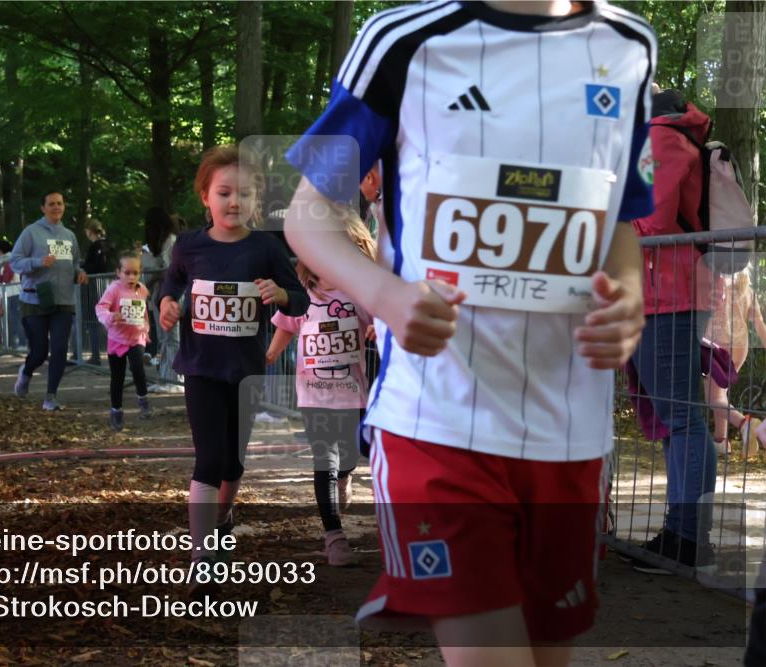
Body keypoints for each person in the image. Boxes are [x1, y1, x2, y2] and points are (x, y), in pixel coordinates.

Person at [283, 1, 655, 663]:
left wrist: (628, 296)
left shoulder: (630, 45)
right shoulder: (400, 41)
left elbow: (620, 214)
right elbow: (308, 213)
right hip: (439, 424)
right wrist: (385, 294)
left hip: (571, 434)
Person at [160, 145, 308, 595]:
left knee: (234, 463)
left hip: (244, 372)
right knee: (209, 460)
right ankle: (203, 558)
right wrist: (166, 305)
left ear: (256, 201)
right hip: (202, 367)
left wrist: (280, 296)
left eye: (244, 194)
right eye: (224, 192)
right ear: (205, 196)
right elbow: (170, 285)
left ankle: (224, 521)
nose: (234, 202)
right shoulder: (189, 245)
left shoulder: (265, 246)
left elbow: (299, 297)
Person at [625, 87, 721, 574]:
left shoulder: (660, 139)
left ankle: (687, 538)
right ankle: (681, 532)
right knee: (675, 418)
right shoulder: (659, 137)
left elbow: (651, 222)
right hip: (658, 292)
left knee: (682, 419)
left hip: (668, 294)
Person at [266, 213, 376, 566]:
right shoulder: (301, 295)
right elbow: (285, 328)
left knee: (348, 455)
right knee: (324, 460)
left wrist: (382, 329)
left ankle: (345, 477)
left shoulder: (361, 292)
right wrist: (267, 357)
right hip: (314, 395)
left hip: (353, 392)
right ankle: (334, 536)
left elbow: (384, 321)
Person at [10, 191, 88, 411]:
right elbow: (14, 262)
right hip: (35, 299)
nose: (56, 207)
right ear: (43, 208)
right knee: (40, 351)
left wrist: (79, 273)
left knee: (60, 348)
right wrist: (37, 262)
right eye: (51, 204)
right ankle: (26, 373)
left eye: (60, 203)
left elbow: (74, 263)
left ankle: (51, 396)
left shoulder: (69, 236)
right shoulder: (31, 233)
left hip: (64, 300)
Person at [706, 267, 766, 457]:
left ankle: (744, 424)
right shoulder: (747, 290)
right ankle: (720, 441)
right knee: (720, 394)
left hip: (716, 345)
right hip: (740, 347)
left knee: (713, 398)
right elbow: (759, 324)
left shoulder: (714, 284)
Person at [96, 252, 152, 431]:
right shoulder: (114, 289)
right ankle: (116, 411)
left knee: (137, 367)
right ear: (118, 272)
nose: (131, 277)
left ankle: (143, 399)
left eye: (135, 273)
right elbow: (100, 307)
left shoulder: (142, 289)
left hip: (137, 338)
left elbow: (143, 311)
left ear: (140, 273)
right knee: (117, 377)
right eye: (127, 272)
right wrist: (111, 316)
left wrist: (146, 328)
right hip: (117, 339)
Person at [143, 207, 181, 388]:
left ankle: (174, 378)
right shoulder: (164, 243)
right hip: (161, 295)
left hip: (171, 296)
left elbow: (171, 271)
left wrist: (153, 275)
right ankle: (166, 377)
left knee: (172, 338)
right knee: (165, 338)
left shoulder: (170, 242)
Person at [82, 219, 112, 366]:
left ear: (90, 231)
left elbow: (98, 265)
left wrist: (82, 268)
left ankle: (96, 354)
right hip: (106, 286)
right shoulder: (108, 244)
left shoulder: (97, 245)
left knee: (93, 320)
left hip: (95, 287)